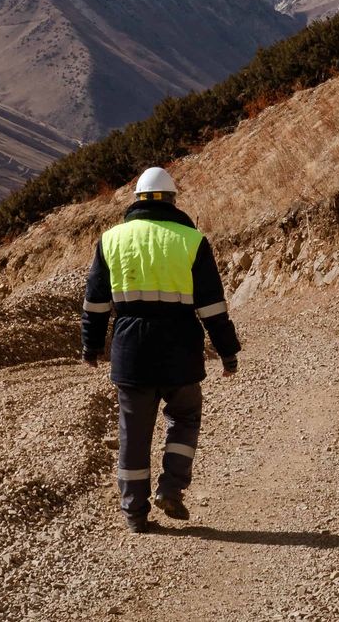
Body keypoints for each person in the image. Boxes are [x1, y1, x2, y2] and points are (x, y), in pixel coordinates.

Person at [81, 166, 240, 532]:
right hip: (179, 350)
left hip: (130, 351)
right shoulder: (192, 241)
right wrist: (228, 352)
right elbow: (212, 306)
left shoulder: (110, 240)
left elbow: (95, 303)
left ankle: (135, 515)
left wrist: (91, 346)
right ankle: (171, 487)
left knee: (133, 434)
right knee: (185, 417)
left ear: (136, 200)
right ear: (172, 200)